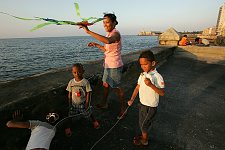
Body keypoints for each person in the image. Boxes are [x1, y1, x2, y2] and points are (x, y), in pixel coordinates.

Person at [78, 13, 125, 119]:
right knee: (105, 85)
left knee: (117, 88)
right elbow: (107, 49)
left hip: (115, 66)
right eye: (103, 23)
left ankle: (123, 108)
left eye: (107, 22)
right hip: (108, 64)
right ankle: (104, 103)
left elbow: (108, 41)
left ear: (114, 23)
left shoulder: (116, 34)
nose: (105, 25)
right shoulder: (109, 34)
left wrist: (88, 31)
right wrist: (96, 45)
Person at [127, 50, 165, 146]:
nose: (143, 67)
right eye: (141, 65)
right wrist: (132, 99)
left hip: (151, 106)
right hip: (142, 104)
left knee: (144, 125)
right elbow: (137, 87)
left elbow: (162, 93)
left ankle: (145, 140)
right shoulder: (143, 74)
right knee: (142, 122)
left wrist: (151, 85)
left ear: (153, 63)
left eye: (145, 64)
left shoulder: (157, 77)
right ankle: (144, 135)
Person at [65, 63, 100, 137]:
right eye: (74, 72)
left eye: (79, 72)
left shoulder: (85, 82)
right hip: (73, 104)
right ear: (72, 72)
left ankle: (94, 121)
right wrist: (69, 103)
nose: (77, 74)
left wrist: (87, 103)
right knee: (70, 115)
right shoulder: (71, 82)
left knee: (88, 113)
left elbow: (88, 93)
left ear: (83, 71)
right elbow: (69, 93)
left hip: (83, 103)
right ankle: (68, 127)